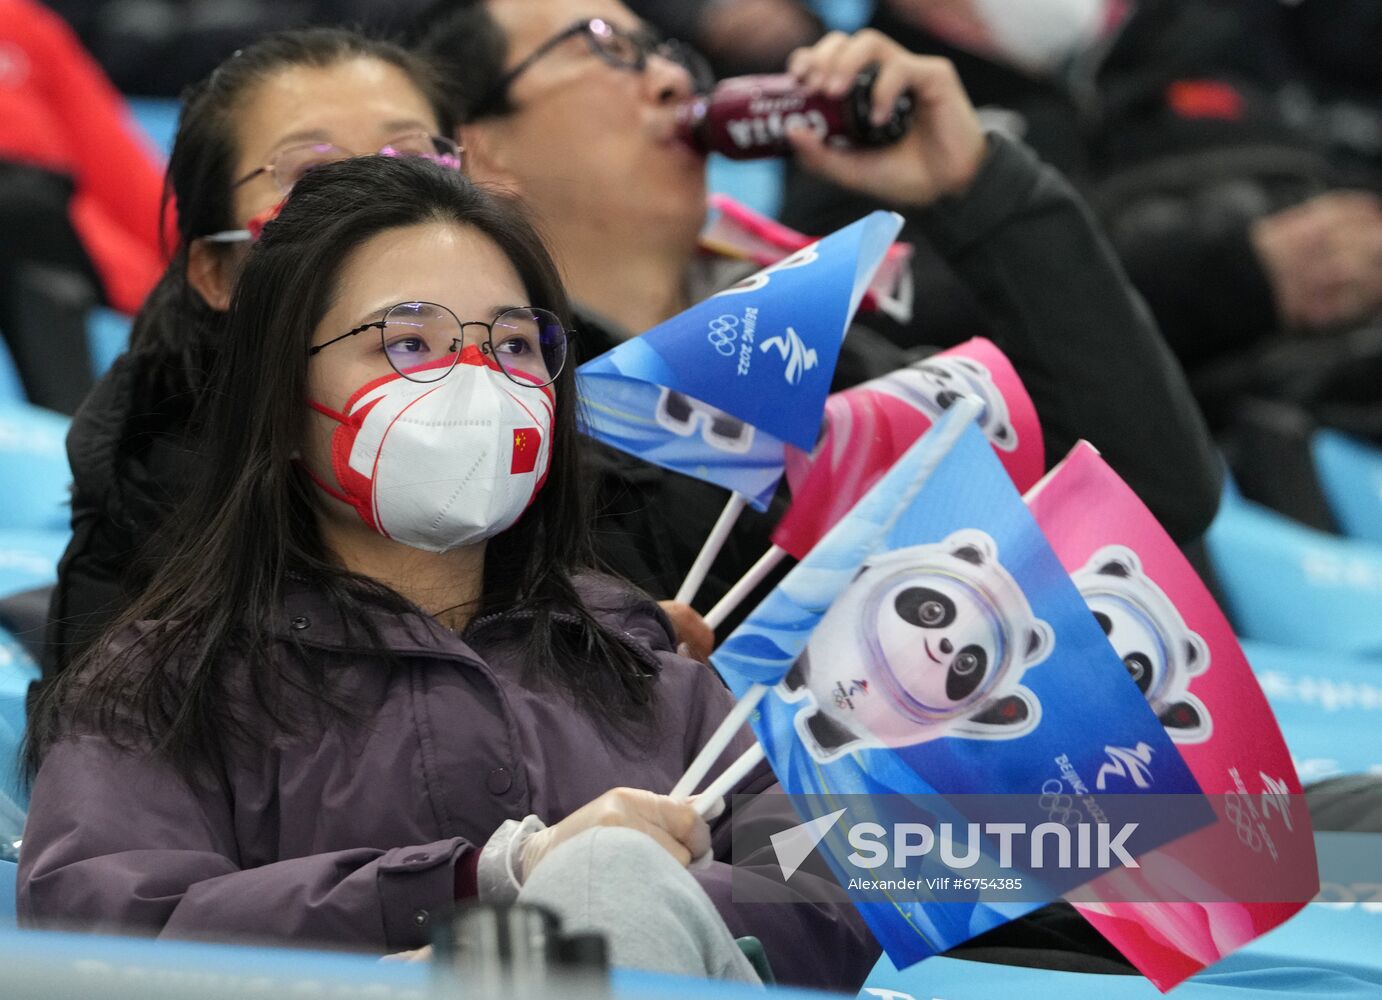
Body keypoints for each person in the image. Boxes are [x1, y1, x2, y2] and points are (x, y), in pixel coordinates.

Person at [19, 155, 876, 989]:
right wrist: (480, 884)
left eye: (513, 343)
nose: (475, 380)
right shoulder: (162, 687)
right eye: (409, 343)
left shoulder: (645, 665)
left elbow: (822, 898)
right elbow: (107, 934)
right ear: (279, 400)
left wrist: (613, 900)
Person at [420, 1, 1221, 623]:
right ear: (480, 148)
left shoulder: (814, 348)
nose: (671, 81)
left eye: (668, 52)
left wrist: (977, 187)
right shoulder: (507, 435)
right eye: (603, 46)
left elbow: (1152, 492)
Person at [43, 28, 465, 677]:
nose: (382, 205)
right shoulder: (146, 506)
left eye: (409, 160)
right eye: (312, 176)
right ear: (215, 270)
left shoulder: (582, 431)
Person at [0, 0, 164, 413]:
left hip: (44, 220)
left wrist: (196, 259)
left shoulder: (18, 22)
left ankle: (77, 453)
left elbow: (116, 163)